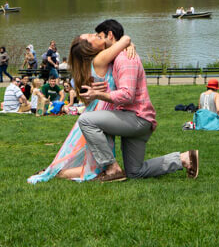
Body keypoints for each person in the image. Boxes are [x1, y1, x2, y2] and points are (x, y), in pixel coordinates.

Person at [34, 19, 197, 183]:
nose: (97, 36)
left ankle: (110, 169)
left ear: (109, 35)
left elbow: (127, 95)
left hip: (136, 117)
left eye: (98, 35)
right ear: (89, 48)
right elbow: (124, 41)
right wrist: (127, 41)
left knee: (87, 127)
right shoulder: (106, 58)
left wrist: (127, 43)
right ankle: (184, 159)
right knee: (135, 172)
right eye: (94, 37)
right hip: (130, 117)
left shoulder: (122, 58)